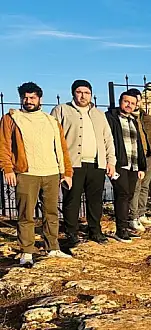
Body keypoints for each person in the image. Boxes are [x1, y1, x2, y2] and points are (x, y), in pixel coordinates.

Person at [0, 82, 73, 265]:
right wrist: (8, 169)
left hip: (51, 173)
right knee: (26, 214)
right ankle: (27, 251)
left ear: (39, 99)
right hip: (26, 173)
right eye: (25, 97)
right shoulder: (11, 119)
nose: (28, 100)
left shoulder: (51, 121)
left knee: (51, 213)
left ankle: (53, 247)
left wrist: (67, 172)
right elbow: (4, 146)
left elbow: (62, 149)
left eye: (32, 97)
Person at [51, 79, 115, 247]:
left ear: (91, 94)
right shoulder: (61, 110)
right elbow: (53, 137)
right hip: (73, 165)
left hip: (96, 164)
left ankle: (95, 231)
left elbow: (108, 139)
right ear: (73, 93)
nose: (83, 96)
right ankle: (71, 233)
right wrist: (60, 166)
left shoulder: (99, 114)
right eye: (79, 92)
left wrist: (111, 161)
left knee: (95, 201)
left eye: (86, 92)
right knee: (72, 199)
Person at [105, 92, 147, 243]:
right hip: (119, 163)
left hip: (133, 164)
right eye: (126, 101)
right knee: (122, 194)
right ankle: (120, 230)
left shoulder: (133, 121)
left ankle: (124, 226)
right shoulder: (110, 118)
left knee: (129, 195)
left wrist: (142, 166)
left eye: (132, 103)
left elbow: (139, 145)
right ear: (120, 102)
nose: (129, 105)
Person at [125, 89, 151, 233]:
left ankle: (141, 212)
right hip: (134, 157)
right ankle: (133, 217)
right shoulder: (126, 118)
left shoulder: (147, 117)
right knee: (135, 188)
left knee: (145, 187)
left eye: (138, 100)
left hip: (148, 156)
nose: (137, 102)